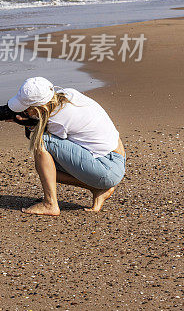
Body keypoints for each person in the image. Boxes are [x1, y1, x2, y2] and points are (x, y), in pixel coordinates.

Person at [7, 77, 126, 215]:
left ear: (37, 108)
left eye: (26, 109)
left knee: (42, 143)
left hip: (107, 167)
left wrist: (27, 124)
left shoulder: (58, 121)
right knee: (46, 168)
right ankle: (97, 188)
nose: (24, 111)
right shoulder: (68, 94)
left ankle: (50, 204)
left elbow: (40, 139)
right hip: (116, 158)